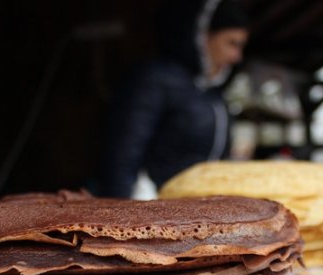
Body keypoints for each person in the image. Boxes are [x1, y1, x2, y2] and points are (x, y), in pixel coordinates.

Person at [95, 0, 248, 198]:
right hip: (156, 206)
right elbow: (123, 153)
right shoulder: (156, 79)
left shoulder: (213, 93)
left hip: (200, 209)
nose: (237, 56)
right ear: (202, 35)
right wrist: (123, 211)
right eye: (232, 43)